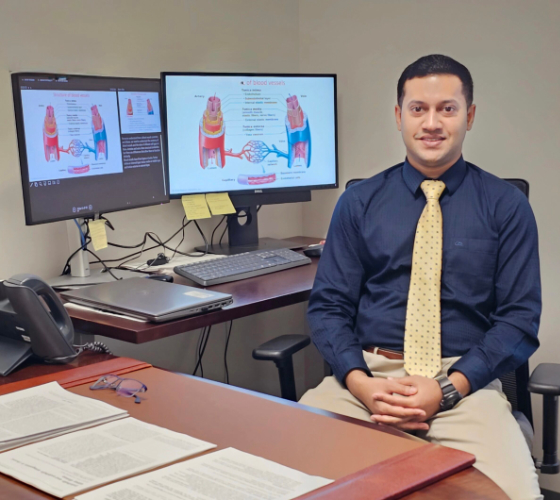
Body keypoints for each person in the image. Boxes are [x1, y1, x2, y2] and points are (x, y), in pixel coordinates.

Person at [299, 54, 542, 500]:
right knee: (277, 471)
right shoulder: (359, 203)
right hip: (365, 379)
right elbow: (328, 308)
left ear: (469, 116)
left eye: (447, 109)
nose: (432, 123)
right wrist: (360, 382)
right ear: (399, 116)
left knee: (515, 494)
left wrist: (446, 389)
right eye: (418, 109)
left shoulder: (507, 207)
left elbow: (519, 320)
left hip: (463, 385)